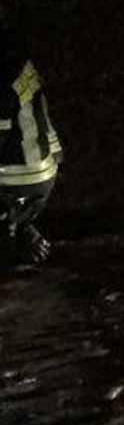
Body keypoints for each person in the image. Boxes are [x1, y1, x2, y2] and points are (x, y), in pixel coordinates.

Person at [0, 23, 61, 266]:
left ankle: (9, 231)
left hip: (15, 178)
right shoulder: (11, 46)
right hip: (41, 173)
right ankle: (18, 224)